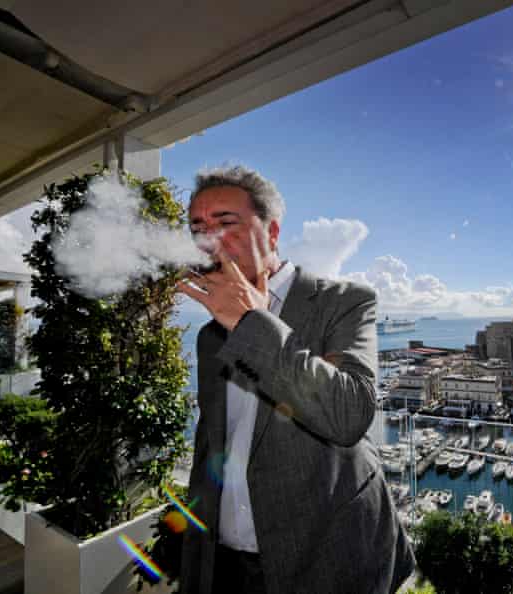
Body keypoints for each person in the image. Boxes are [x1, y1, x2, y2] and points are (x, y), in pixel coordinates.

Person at [176, 165, 415, 594]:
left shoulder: (344, 302)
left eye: (225, 222)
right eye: (197, 226)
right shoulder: (209, 337)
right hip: (226, 563)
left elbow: (350, 414)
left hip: (327, 559)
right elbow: (211, 445)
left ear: (271, 233)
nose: (208, 239)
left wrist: (252, 323)